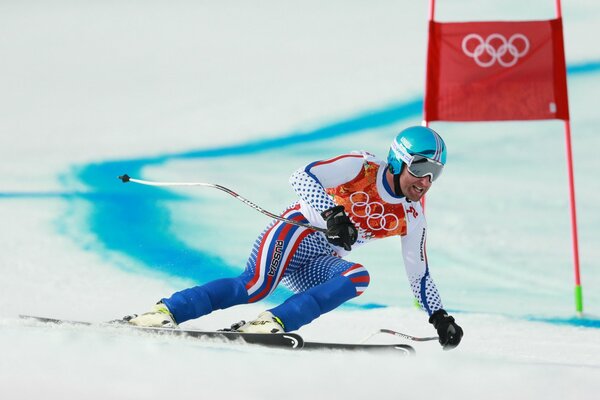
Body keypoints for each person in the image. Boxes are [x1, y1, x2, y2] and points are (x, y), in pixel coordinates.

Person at [126, 125, 463, 350]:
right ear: (399, 160)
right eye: (420, 169)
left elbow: (418, 273)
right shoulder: (363, 167)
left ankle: (272, 323)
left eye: (435, 174)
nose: (425, 181)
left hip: (321, 259)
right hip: (296, 231)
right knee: (255, 285)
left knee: (358, 277)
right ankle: (166, 312)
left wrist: (440, 316)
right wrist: (332, 213)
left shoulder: (412, 216)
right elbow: (301, 176)